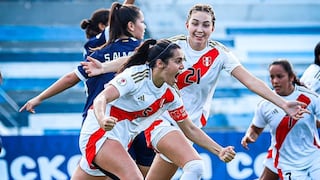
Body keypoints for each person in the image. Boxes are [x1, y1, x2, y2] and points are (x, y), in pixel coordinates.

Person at [81, 3, 309, 179]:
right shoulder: (172, 47)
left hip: (188, 126)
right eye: (196, 23)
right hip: (160, 119)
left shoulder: (220, 54)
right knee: (196, 166)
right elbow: (136, 57)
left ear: (213, 28)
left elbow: (250, 81)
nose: (200, 29)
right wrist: (103, 67)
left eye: (206, 24)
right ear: (187, 25)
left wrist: (283, 103)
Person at [19, 1, 154, 179]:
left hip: (101, 124)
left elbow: (70, 78)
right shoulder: (147, 52)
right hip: (132, 122)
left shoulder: (96, 51)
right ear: (130, 26)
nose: (144, 26)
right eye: (142, 22)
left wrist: (39, 98)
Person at [71, 39, 236, 180]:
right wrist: (102, 119)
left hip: (120, 141)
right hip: (99, 133)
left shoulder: (170, 95)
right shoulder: (136, 76)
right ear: (160, 63)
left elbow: (190, 129)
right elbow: (101, 98)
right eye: (178, 61)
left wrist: (219, 150)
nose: (183, 67)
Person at [241, 59, 320, 180]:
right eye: (272, 77)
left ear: (292, 77)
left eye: (280, 76)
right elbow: (255, 129)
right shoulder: (265, 104)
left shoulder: (311, 97)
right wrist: (250, 136)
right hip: (287, 162)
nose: (275, 81)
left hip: (314, 157)